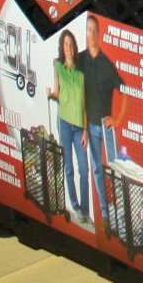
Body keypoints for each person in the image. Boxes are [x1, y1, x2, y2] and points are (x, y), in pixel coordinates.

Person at [80, 16, 123, 231]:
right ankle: (105, 215)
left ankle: (120, 214)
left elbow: (125, 91)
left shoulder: (106, 64)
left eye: (95, 30)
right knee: (97, 169)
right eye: (88, 30)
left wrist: (117, 119)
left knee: (115, 168)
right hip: (91, 125)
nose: (92, 34)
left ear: (99, 34)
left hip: (106, 126)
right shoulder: (80, 59)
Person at [47, 30, 90, 226]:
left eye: (71, 44)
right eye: (66, 44)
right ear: (62, 47)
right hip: (64, 122)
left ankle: (85, 209)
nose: (69, 48)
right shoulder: (58, 66)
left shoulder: (81, 73)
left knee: (84, 169)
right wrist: (50, 94)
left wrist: (86, 130)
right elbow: (57, 92)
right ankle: (75, 206)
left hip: (79, 126)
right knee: (69, 167)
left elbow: (84, 103)